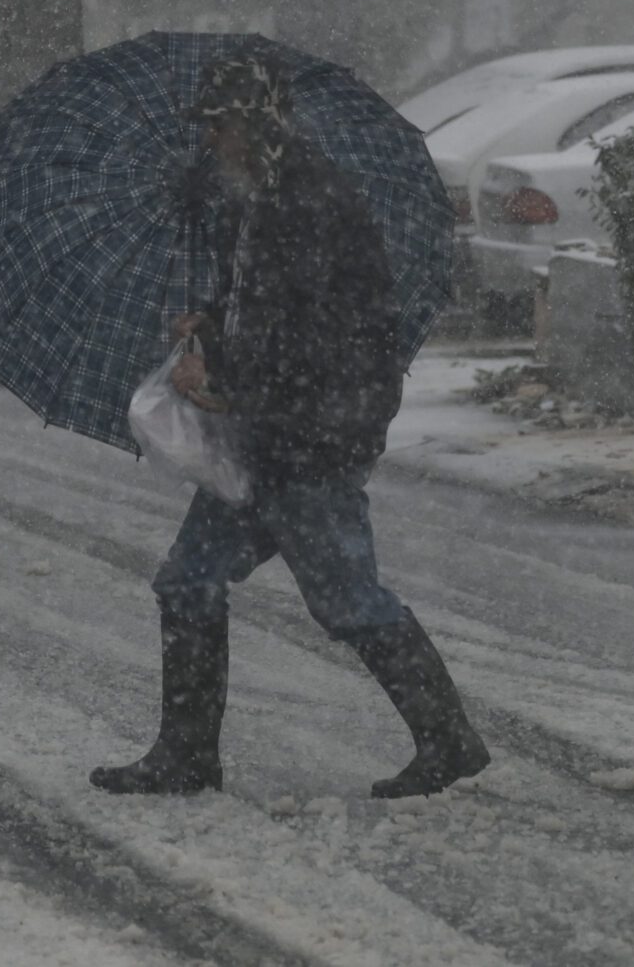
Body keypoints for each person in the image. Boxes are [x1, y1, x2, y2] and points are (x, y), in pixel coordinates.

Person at [90, 53, 490, 800]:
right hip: (268, 440)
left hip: (311, 441)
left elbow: (316, 338)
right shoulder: (265, 197)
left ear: (253, 123)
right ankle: (187, 755)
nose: (209, 139)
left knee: (348, 599)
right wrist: (209, 321)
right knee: (189, 580)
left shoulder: (310, 202)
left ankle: (449, 739)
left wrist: (222, 378)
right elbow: (263, 308)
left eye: (219, 124)